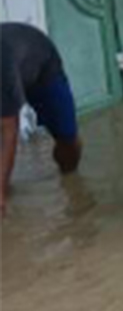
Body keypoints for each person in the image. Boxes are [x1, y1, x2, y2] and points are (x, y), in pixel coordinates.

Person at [1, 23, 83, 214]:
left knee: (67, 139)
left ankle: (73, 184)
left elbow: (8, 130)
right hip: (15, 62)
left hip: (42, 69)